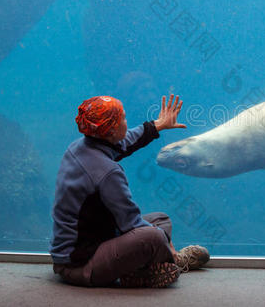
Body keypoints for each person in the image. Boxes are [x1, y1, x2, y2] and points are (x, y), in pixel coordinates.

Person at [50, 94, 209, 287]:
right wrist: (167, 245)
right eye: (123, 118)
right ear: (111, 131)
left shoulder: (80, 147)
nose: (127, 122)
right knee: (154, 236)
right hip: (80, 265)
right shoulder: (108, 172)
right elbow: (131, 223)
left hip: (92, 241)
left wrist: (157, 125)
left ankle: (141, 269)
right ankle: (169, 262)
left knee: (160, 219)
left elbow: (125, 143)